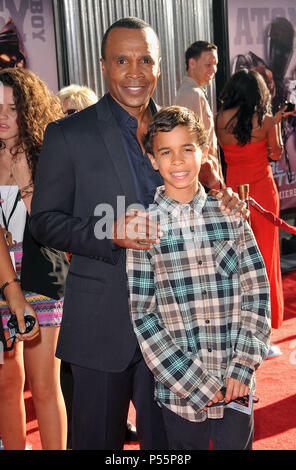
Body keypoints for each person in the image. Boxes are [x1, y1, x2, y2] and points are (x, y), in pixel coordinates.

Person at [29, 17, 248, 451]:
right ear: (104, 66)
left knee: (169, 450)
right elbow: (43, 221)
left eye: (145, 60)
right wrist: (108, 232)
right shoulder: (68, 134)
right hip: (100, 326)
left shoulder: (175, 130)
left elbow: (192, 201)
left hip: (176, 334)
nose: (134, 71)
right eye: (122, 60)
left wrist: (223, 204)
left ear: (160, 65)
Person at [126, 105, 271, 450]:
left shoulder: (230, 216)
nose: (178, 161)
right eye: (166, 152)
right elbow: (144, 317)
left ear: (204, 152)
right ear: (152, 160)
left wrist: (243, 365)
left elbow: (257, 291)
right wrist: (195, 384)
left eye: (187, 149)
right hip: (181, 395)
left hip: (237, 384)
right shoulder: (144, 229)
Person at [0, 68, 68, 450]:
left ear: (28, 110)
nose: (3, 115)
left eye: (13, 107)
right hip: (1, 277)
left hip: (42, 273)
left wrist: (26, 180)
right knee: (7, 383)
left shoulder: (47, 154)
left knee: (44, 383)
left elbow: (50, 230)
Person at [216, 69, 295, 334]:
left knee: (237, 258)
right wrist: (277, 126)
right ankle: (267, 325)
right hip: (262, 192)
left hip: (233, 194)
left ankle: (241, 324)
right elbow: (276, 154)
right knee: (266, 257)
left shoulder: (220, 119)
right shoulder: (265, 121)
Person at [175, 40, 223, 188]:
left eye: (215, 64)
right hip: (204, 182)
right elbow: (192, 144)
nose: (214, 69)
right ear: (192, 63)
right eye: (208, 64)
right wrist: (214, 183)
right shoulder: (192, 94)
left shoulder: (194, 92)